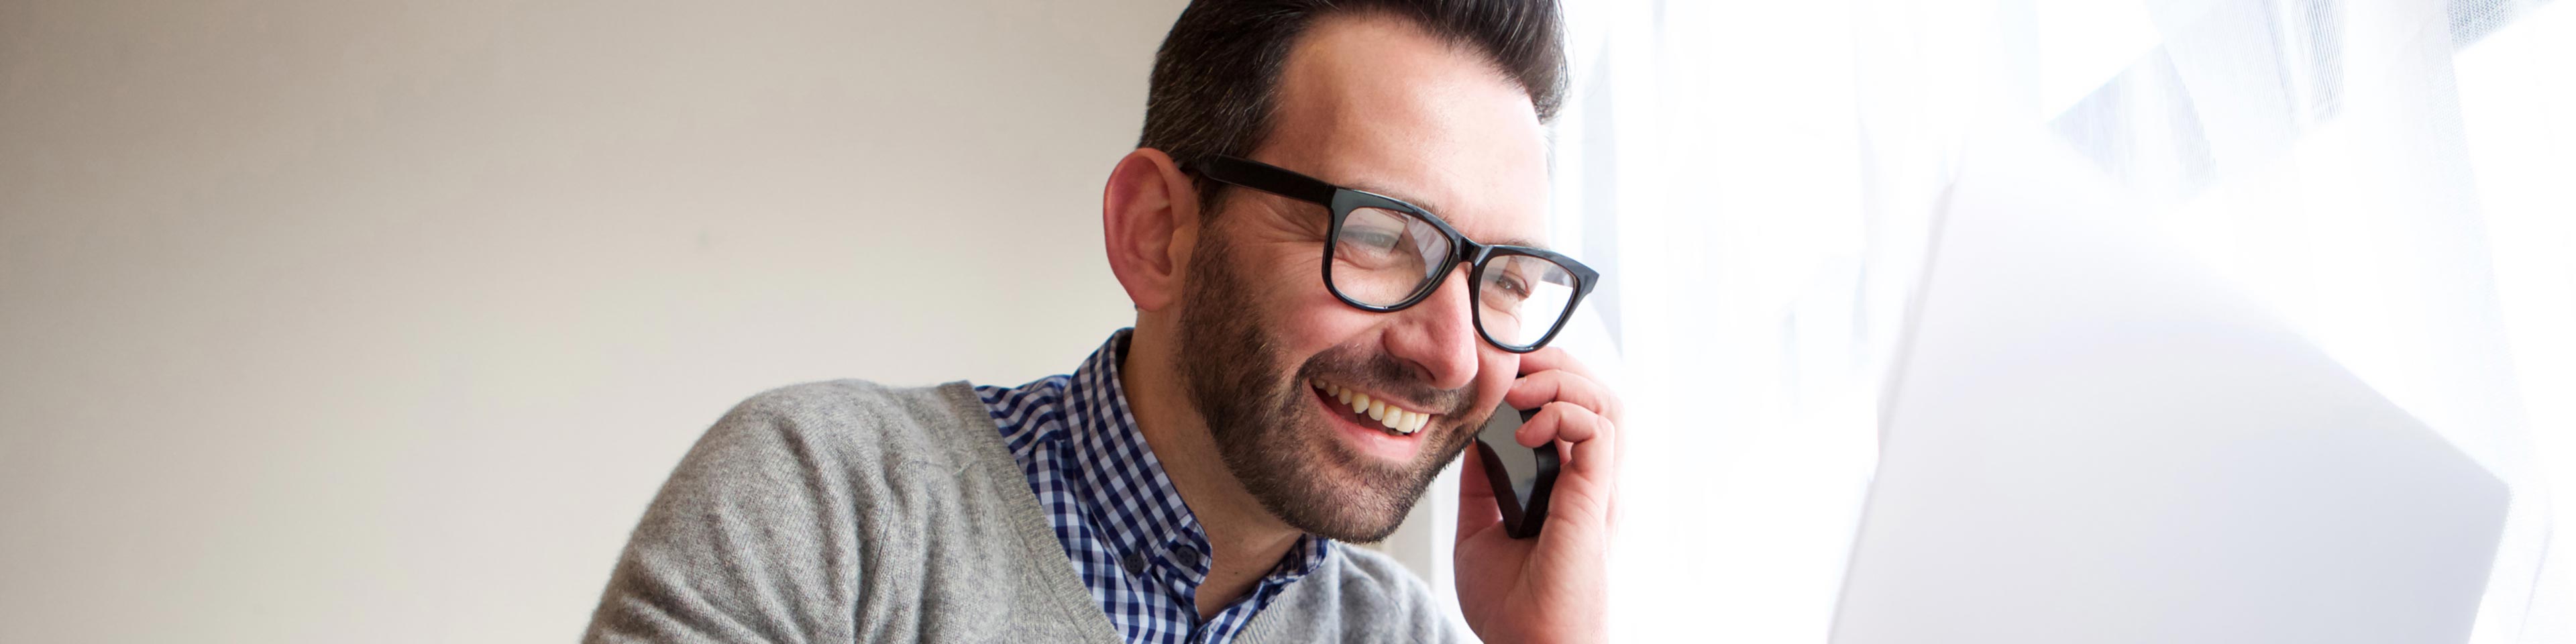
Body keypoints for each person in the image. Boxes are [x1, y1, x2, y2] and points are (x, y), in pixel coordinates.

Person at [582, 1, 1623, 642]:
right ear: (1157, 232)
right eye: (1382, 237)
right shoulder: (828, 509)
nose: (1450, 355)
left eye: (1503, 282)